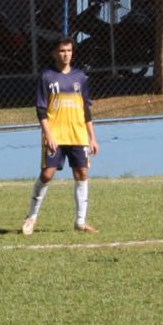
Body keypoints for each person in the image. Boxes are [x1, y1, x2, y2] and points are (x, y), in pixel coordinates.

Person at [22, 37, 99, 236]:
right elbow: (40, 109)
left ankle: (81, 221)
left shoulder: (81, 77)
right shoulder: (46, 77)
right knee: (47, 174)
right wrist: (48, 134)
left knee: (82, 174)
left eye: (69, 50)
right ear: (54, 53)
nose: (66, 54)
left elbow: (86, 109)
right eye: (62, 51)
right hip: (55, 134)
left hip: (78, 134)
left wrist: (92, 137)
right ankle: (31, 217)